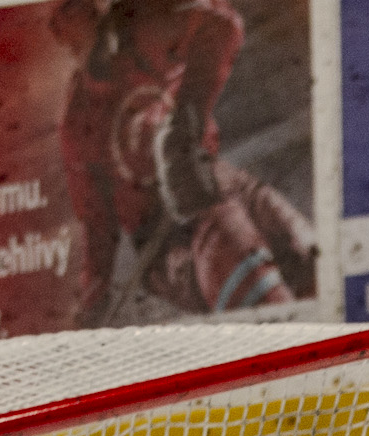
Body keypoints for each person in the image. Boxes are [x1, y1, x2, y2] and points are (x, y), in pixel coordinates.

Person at [54, 0, 318, 324]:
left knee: (310, 255)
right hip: (167, 242)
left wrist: (186, 123)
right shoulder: (78, 119)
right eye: (66, 13)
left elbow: (222, 24)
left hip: (219, 181)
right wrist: (90, 310)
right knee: (234, 255)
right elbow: (97, 230)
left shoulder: (142, 29)